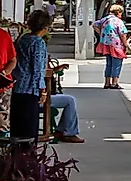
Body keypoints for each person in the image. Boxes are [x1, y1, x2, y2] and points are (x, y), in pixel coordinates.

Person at [12, 7, 86, 144]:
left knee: (19, 128)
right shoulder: (38, 43)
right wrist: (42, 90)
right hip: (30, 89)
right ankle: (28, 154)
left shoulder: (22, 40)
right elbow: (37, 70)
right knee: (29, 130)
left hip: (18, 87)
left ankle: (18, 154)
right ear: (45, 27)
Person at [97, 6, 128, 88]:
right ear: (118, 12)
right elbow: (122, 34)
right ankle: (114, 83)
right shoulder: (118, 21)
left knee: (109, 64)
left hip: (106, 43)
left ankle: (107, 83)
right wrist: (125, 45)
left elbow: (94, 25)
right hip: (116, 44)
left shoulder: (105, 19)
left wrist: (101, 34)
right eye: (121, 12)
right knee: (117, 64)